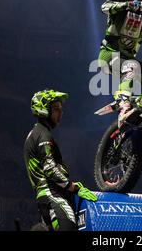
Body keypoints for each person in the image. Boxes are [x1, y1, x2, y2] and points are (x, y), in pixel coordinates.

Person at [24, 89, 97, 231]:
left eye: (61, 109)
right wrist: (72, 186)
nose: (61, 113)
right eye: (56, 108)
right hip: (53, 195)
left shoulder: (36, 133)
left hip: (45, 197)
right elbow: (50, 169)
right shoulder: (43, 134)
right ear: (44, 110)